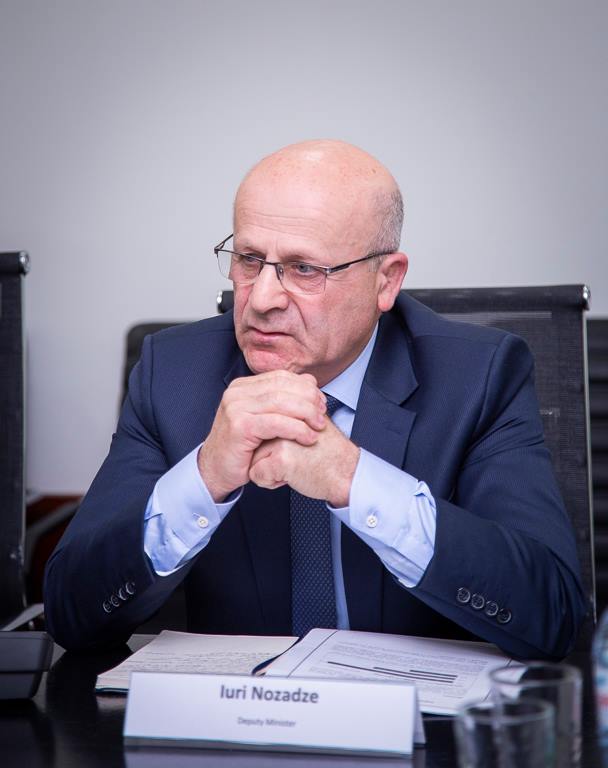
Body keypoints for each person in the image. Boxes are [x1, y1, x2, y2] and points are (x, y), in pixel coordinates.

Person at [44, 140, 586, 657]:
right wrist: (203, 479)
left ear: (386, 281)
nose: (261, 299)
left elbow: (553, 614)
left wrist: (354, 480)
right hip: (234, 713)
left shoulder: (477, 377)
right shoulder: (173, 375)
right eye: (249, 259)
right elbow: (72, 615)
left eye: (304, 269)